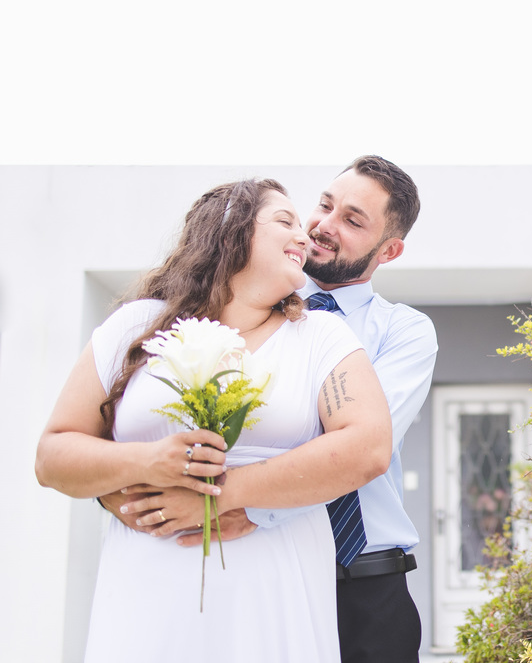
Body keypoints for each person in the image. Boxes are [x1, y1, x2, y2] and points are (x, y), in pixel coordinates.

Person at [35, 178, 393, 662]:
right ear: (231, 231)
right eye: (284, 221)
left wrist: (223, 494)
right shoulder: (135, 326)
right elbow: (53, 456)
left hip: (274, 595)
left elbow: (367, 448)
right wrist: (149, 461)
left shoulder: (320, 336)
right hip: (147, 595)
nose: (305, 236)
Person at [106, 156, 438, 662]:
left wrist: (243, 506)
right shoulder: (238, 313)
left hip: (363, 584)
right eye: (325, 205)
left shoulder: (404, 333)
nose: (324, 226)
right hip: (253, 569)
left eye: (352, 221)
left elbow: (351, 447)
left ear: (388, 250)